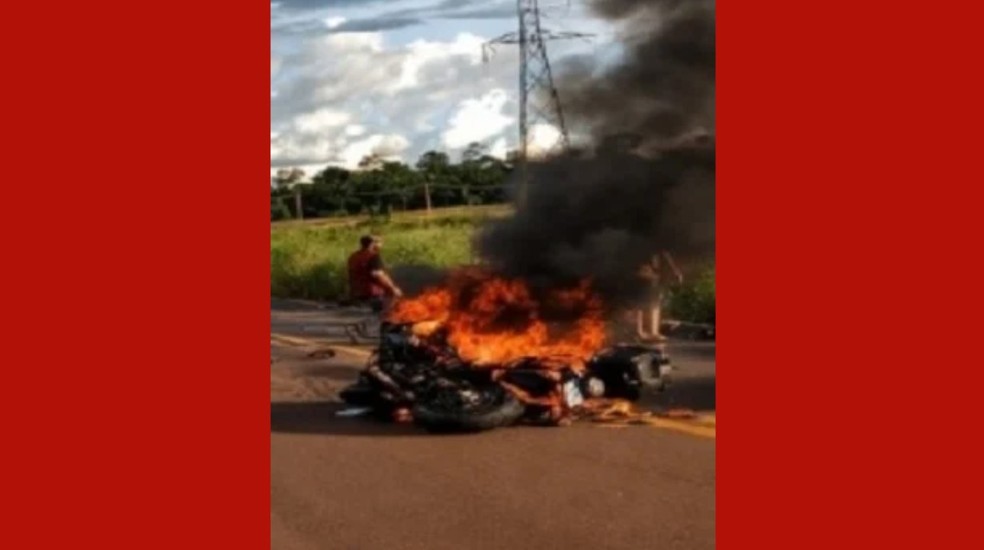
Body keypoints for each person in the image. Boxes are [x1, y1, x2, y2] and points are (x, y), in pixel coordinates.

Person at [347, 235, 403, 316]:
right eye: (379, 242)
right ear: (372, 244)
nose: (381, 245)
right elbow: (378, 275)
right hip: (374, 294)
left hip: (357, 293)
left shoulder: (353, 256)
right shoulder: (373, 256)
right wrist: (392, 289)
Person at [635, 250, 684, 343]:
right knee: (640, 303)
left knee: (654, 303)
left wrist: (675, 271)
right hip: (644, 273)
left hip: (653, 275)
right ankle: (640, 332)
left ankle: (653, 332)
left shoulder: (658, 247)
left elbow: (665, 256)